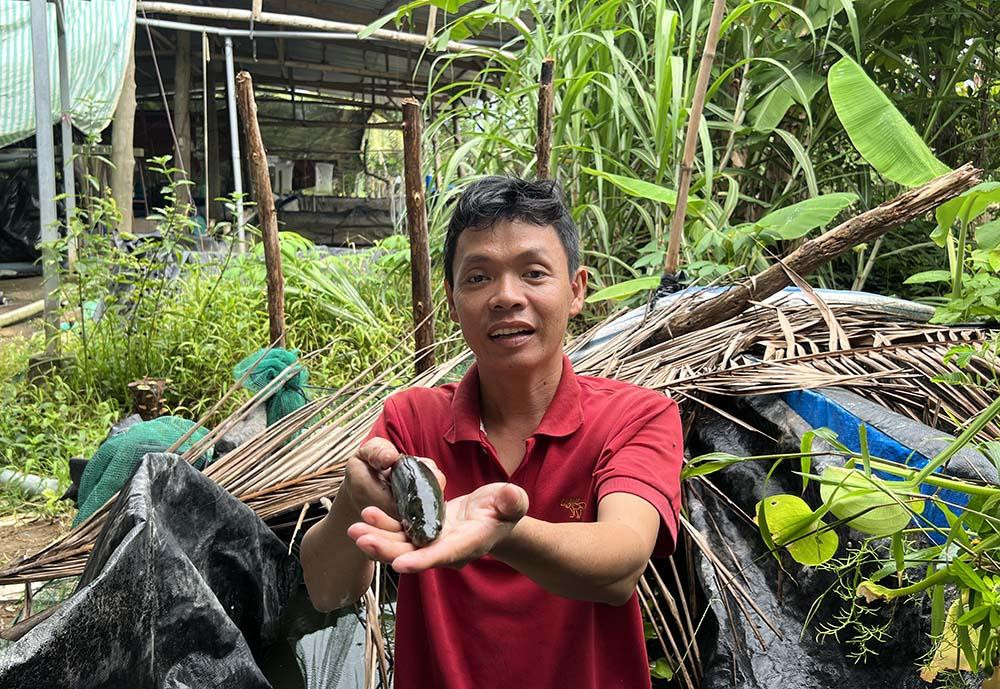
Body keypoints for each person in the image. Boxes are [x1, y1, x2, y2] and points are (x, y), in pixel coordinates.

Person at [301, 176, 683, 689]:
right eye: (478, 278)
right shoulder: (410, 423)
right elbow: (328, 592)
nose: (507, 297)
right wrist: (353, 500)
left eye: (533, 273)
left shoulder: (638, 416)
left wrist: (501, 533)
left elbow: (621, 563)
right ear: (454, 302)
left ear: (576, 290)